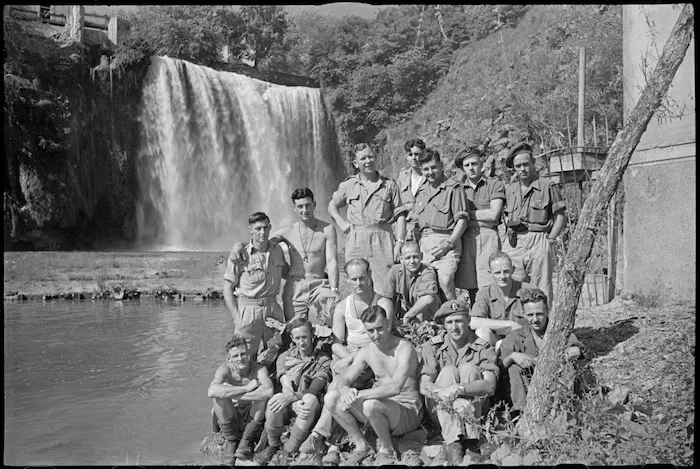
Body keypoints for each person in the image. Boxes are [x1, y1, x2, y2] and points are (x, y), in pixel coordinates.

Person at [297, 258, 378, 463]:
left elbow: (380, 340)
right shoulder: (343, 307)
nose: (359, 283)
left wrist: (353, 357)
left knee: (336, 387)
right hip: (349, 359)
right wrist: (348, 357)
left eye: (362, 278)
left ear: (369, 276)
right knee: (338, 384)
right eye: (354, 279)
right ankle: (331, 443)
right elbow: (335, 343)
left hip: (373, 357)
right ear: (348, 281)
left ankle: (319, 436)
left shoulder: (381, 302)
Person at [324, 305, 423, 466]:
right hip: (381, 411)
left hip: (408, 410)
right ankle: (362, 446)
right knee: (331, 398)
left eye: (379, 328)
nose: (376, 335)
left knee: (370, 405)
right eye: (370, 331)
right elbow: (344, 378)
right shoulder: (366, 351)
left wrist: (357, 395)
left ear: (388, 323)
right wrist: (346, 390)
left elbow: (395, 388)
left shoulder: (403, 348)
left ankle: (387, 450)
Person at [229, 188, 340, 326]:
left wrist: (334, 289)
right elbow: (260, 240)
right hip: (294, 287)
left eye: (308, 205)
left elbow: (332, 260)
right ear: (294, 208)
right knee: (294, 330)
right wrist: (240, 245)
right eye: (300, 206)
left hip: (319, 285)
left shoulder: (327, 229)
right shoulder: (287, 232)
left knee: (327, 323)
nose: (304, 210)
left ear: (314, 205)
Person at [419, 299, 499, 465]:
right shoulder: (433, 347)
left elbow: (490, 386)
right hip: (440, 410)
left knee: (469, 369)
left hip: (476, 409)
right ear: (443, 324)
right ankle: (455, 444)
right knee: (448, 371)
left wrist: (459, 388)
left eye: (459, 321)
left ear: (468, 321)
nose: (454, 327)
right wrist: (442, 392)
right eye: (449, 322)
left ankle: (470, 442)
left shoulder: (482, 347)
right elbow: (424, 384)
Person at [328, 143, 407, 288]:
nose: (368, 161)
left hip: (382, 238)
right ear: (356, 164)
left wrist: (400, 242)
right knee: (358, 284)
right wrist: (341, 223)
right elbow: (332, 205)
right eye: (363, 158)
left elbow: (400, 215)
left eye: (370, 157)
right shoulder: (348, 185)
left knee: (386, 286)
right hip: (356, 240)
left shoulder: (389, 185)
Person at [255, 317, 332, 465]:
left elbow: (314, 389)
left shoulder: (323, 359)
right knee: (274, 401)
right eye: (297, 338)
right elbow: (285, 384)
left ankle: (289, 450)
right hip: (290, 399)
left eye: (305, 337)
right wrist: (291, 401)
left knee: (309, 400)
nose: (302, 342)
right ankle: (273, 445)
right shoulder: (285, 356)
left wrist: (293, 399)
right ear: (292, 338)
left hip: (309, 403)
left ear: (312, 335)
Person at [502, 142, 567, 303]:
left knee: (541, 287)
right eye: (518, 166)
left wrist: (551, 239)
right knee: (511, 285)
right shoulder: (510, 190)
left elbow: (560, 215)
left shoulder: (547, 186)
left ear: (533, 164)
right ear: (514, 168)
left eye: (526, 164)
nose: (522, 169)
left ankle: (545, 325)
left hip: (538, 239)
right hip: (514, 241)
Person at [499, 287, 582, 412]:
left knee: (568, 366)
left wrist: (546, 360)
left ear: (547, 311)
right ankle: (522, 413)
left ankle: (565, 411)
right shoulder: (516, 335)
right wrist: (512, 356)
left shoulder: (558, 331)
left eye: (539, 314)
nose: (535, 319)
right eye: (530, 315)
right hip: (528, 388)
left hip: (556, 381)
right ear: (523, 314)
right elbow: (500, 366)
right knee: (513, 368)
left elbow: (576, 351)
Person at [223, 212, 289, 358]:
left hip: (272, 308)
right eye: (258, 228)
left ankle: (269, 380)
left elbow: (286, 272)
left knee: (276, 352)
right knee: (244, 356)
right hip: (248, 310)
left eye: (265, 228)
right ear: (250, 230)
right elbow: (227, 288)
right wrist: (236, 316)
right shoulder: (241, 254)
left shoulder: (277, 250)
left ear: (270, 227)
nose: (262, 232)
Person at [207, 335, 275, 464]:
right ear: (229, 359)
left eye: (243, 354)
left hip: (252, 415)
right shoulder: (225, 369)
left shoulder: (259, 369)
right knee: (218, 398)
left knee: (262, 397)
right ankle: (231, 441)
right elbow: (211, 391)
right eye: (235, 356)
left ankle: (246, 441)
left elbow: (268, 390)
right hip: (232, 415)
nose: (240, 358)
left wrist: (233, 395)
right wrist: (246, 388)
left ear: (249, 354)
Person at [413, 148, 469, 300]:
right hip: (424, 246)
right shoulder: (421, 191)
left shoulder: (453, 188)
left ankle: (454, 317)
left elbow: (462, 221)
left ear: (441, 166)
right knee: (426, 287)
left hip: (447, 243)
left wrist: (448, 244)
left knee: (445, 281)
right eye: (425, 169)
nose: (430, 172)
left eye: (433, 167)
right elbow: (416, 223)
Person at [453, 147, 506, 305]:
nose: (471, 168)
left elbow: (494, 215)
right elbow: (454, 217)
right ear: (463, 168)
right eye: (467, 165)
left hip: (488, 237)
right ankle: (477, 316)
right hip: (465, 237)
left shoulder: (494, 184)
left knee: (489, 280)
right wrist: (483, 215)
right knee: (470, 282)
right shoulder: (458, 189)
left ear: (481, 164)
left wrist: (467, 216)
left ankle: (493, 315)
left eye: (474, 163)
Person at [470, 251, 536, 350]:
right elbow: (474, 322)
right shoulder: (485, 293)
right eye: (497, 272)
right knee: (481, 332)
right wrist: (510, 324)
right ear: (490, 273)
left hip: (524, 340)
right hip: (497, 342)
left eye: (506, 271)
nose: (502, 276)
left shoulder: (528, 290)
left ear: (513, 270)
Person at [377, 240, 440, 326]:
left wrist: (407, 316)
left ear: (421, 256)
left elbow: (428, 299)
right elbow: (387, 298)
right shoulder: (395, 271)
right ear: (401, 259)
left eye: (415, 257)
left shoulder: (427, 272)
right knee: (383, 302)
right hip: (406, 313)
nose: (412, 261)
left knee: (421, 312)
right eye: (407, 258)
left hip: (427, 316)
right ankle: (388, 329)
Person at [396, 138, 429, 243]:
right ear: (406, 157)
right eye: (410, 155)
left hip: (425, 229)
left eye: (417, 154)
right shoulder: (402, 178)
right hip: (406, 231)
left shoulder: (430, 176)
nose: (414, 158)